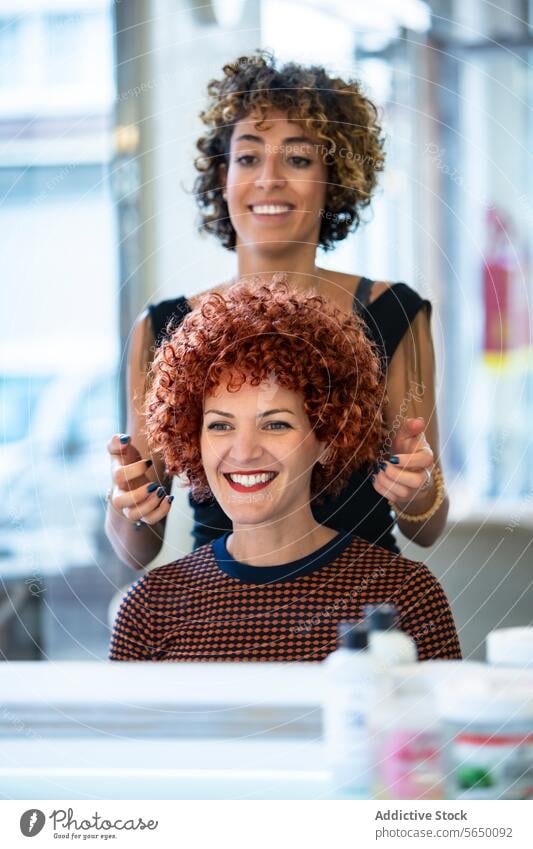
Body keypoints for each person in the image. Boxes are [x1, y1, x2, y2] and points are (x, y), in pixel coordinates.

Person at [105, 51, 448, 570]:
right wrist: (128, 505)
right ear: (222, 176)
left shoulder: (393, 314)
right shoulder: (163, 329)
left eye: (298, 158)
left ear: (334, 178)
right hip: (219, 614)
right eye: (247, 157)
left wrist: (418, 493)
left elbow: (427, 528)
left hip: (362, 614)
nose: (268, 178)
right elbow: (138, 549)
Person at [109, 282, 461, 662]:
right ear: (193, 440)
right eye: (220, 425)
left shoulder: (407, 597)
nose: (243, 452)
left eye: (275, 424)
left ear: (327, 437)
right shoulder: (148, 611)